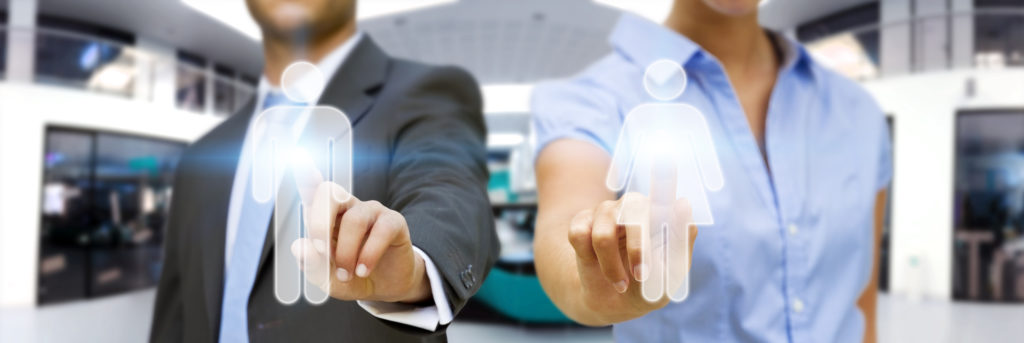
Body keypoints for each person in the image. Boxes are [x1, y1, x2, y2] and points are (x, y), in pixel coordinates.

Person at [531, 0, 891, 342]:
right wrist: (595, 272)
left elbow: (861, 309)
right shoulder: (590, 98)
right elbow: (565, 221)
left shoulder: (858, 112)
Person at [150, 0, 498, 341]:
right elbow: (175, 315)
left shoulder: (426, 93)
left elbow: (450, 192)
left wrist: (414, 270)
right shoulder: (202, 155)